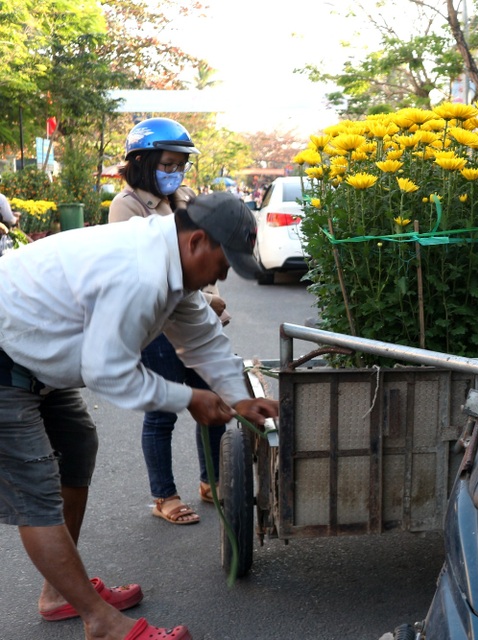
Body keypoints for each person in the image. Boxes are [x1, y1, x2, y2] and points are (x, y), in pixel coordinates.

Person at [0, 191, 278, 639]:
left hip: (35, 358)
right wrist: (188, 398)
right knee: (36, 492)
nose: (223, 275)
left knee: (77, 448)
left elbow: (203, 340)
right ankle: (101, 622)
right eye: (224, 264)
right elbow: (108, 373)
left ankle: (58, 593)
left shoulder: (172, 267)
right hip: (6, 354)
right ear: (196, 242)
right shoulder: (139, 273)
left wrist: (238, 398)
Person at [109, 117, 227, 525]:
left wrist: (212, 299)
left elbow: (200, 256)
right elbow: (150, 272)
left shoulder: (186, 200)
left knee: (213, 401)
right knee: (162, 409)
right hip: (157, 323)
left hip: (192, 311)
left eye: (179, 165)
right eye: (168, 164)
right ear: (143, 161)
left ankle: (211, 480)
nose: (174, 173)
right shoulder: (127, 205)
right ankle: (165, 496)